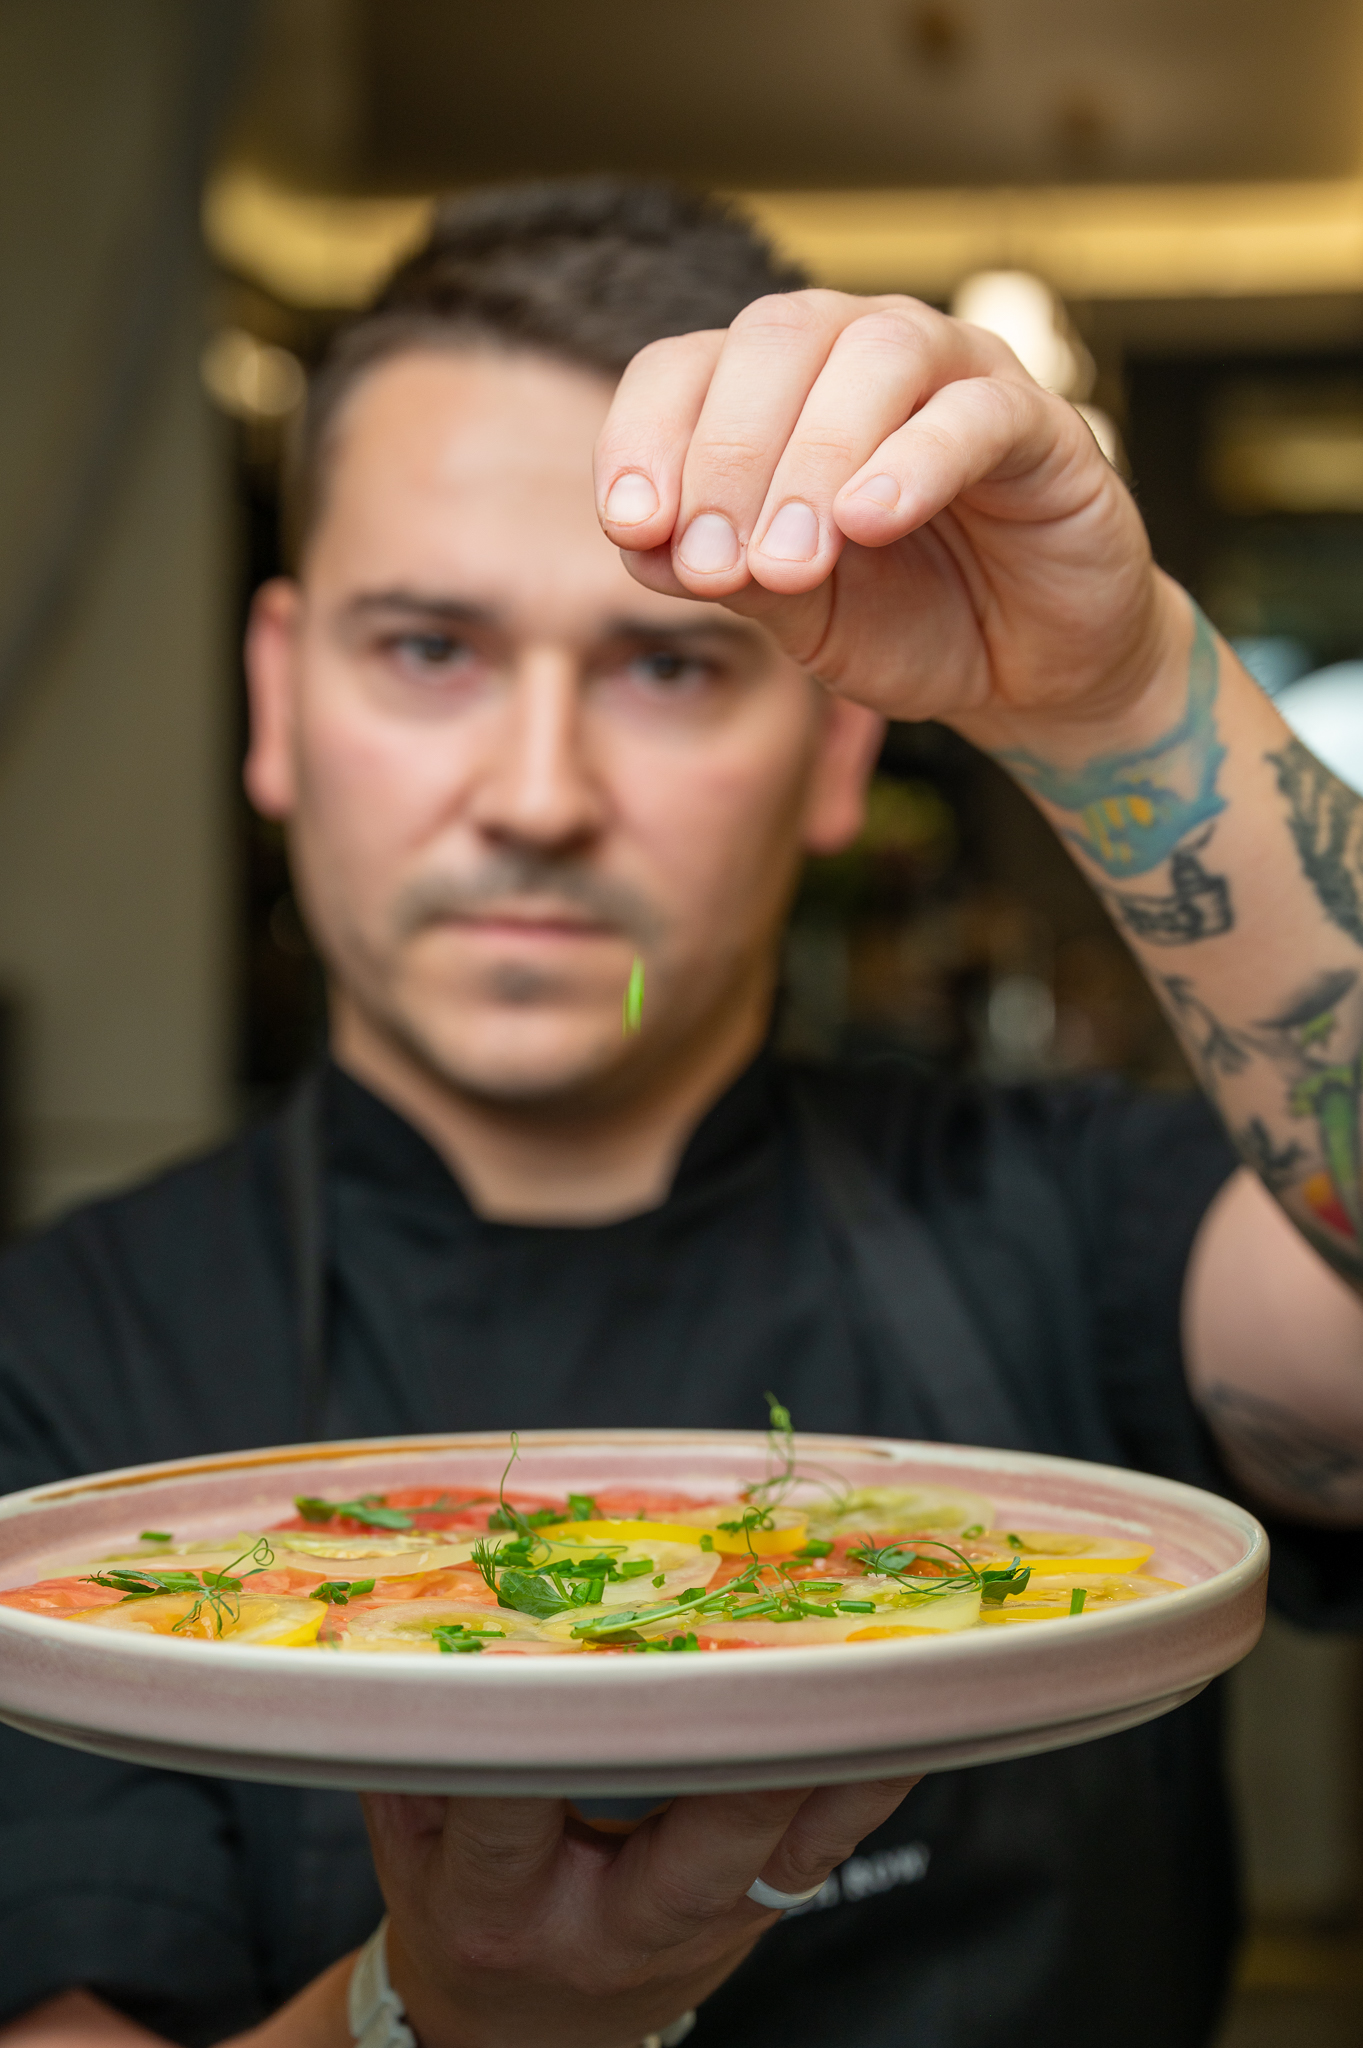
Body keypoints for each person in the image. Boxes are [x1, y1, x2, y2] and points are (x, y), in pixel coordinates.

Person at [3, 178, 1363, 2048]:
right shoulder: (54, 1362)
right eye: (429, 649)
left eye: (667, 663)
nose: (538, 794)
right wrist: (431, 2015)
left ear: (836, 745)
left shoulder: (1068, 1216)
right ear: (277, 698)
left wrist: (1121, 690)